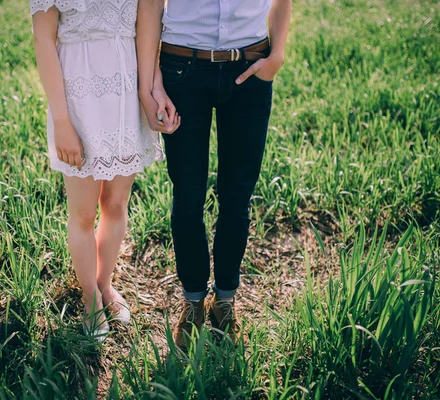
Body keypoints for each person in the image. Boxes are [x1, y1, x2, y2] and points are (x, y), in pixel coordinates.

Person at [137, 0, 292, 347]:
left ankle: (225, 300)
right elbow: (149, 5)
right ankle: (193, 299)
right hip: (182, 69)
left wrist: (277, 54)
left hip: (250, 70)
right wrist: (146, 86)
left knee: (238, 195)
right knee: (188, 193)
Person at [30, 0, 178, 341]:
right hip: (79, 99)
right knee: (82, 213)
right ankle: (89, 298)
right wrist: (63, 122)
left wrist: (151, 89)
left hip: (127, 91)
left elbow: (148, 28)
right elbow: (43, 40)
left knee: (115, 204)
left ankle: (105, 284)